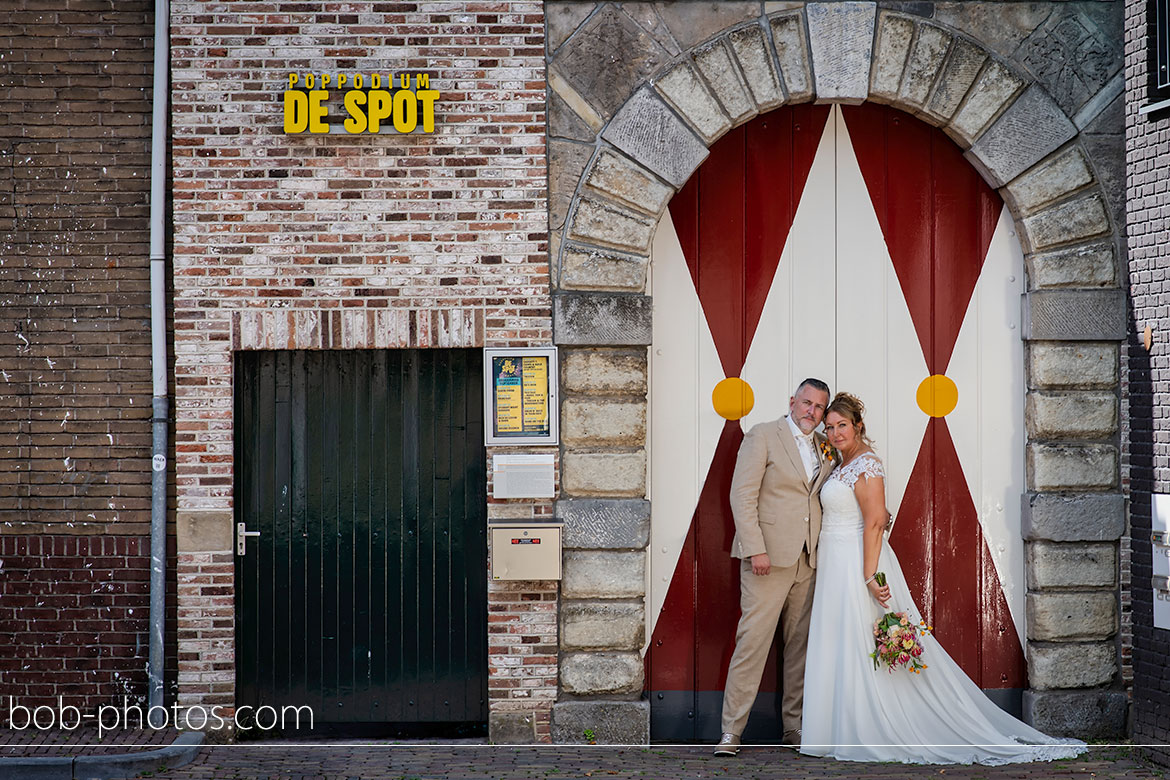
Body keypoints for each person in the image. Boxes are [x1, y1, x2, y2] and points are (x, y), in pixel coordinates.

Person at [800, 392, 1087, 764]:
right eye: (830, 427)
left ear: (858, 426)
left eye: (842, 426)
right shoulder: (842, 463)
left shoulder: (866, 465)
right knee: (840, 640)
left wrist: (870, 575)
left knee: (859, 638)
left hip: (858, 562)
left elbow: (874, 523)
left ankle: (868, 727)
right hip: (836, 563)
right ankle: (835, 729)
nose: (836, 433)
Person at [714, 378, 835, 757]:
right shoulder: (762, 435)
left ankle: (794, 728)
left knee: (799, 650)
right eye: (806, 403)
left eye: (818, 407)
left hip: (808, 560)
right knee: (752, 645)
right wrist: (755, 550)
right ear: (792, 401)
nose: (811, 412)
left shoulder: (825, 446)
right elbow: (742, 495)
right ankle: (731, 733)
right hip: (767, 560)